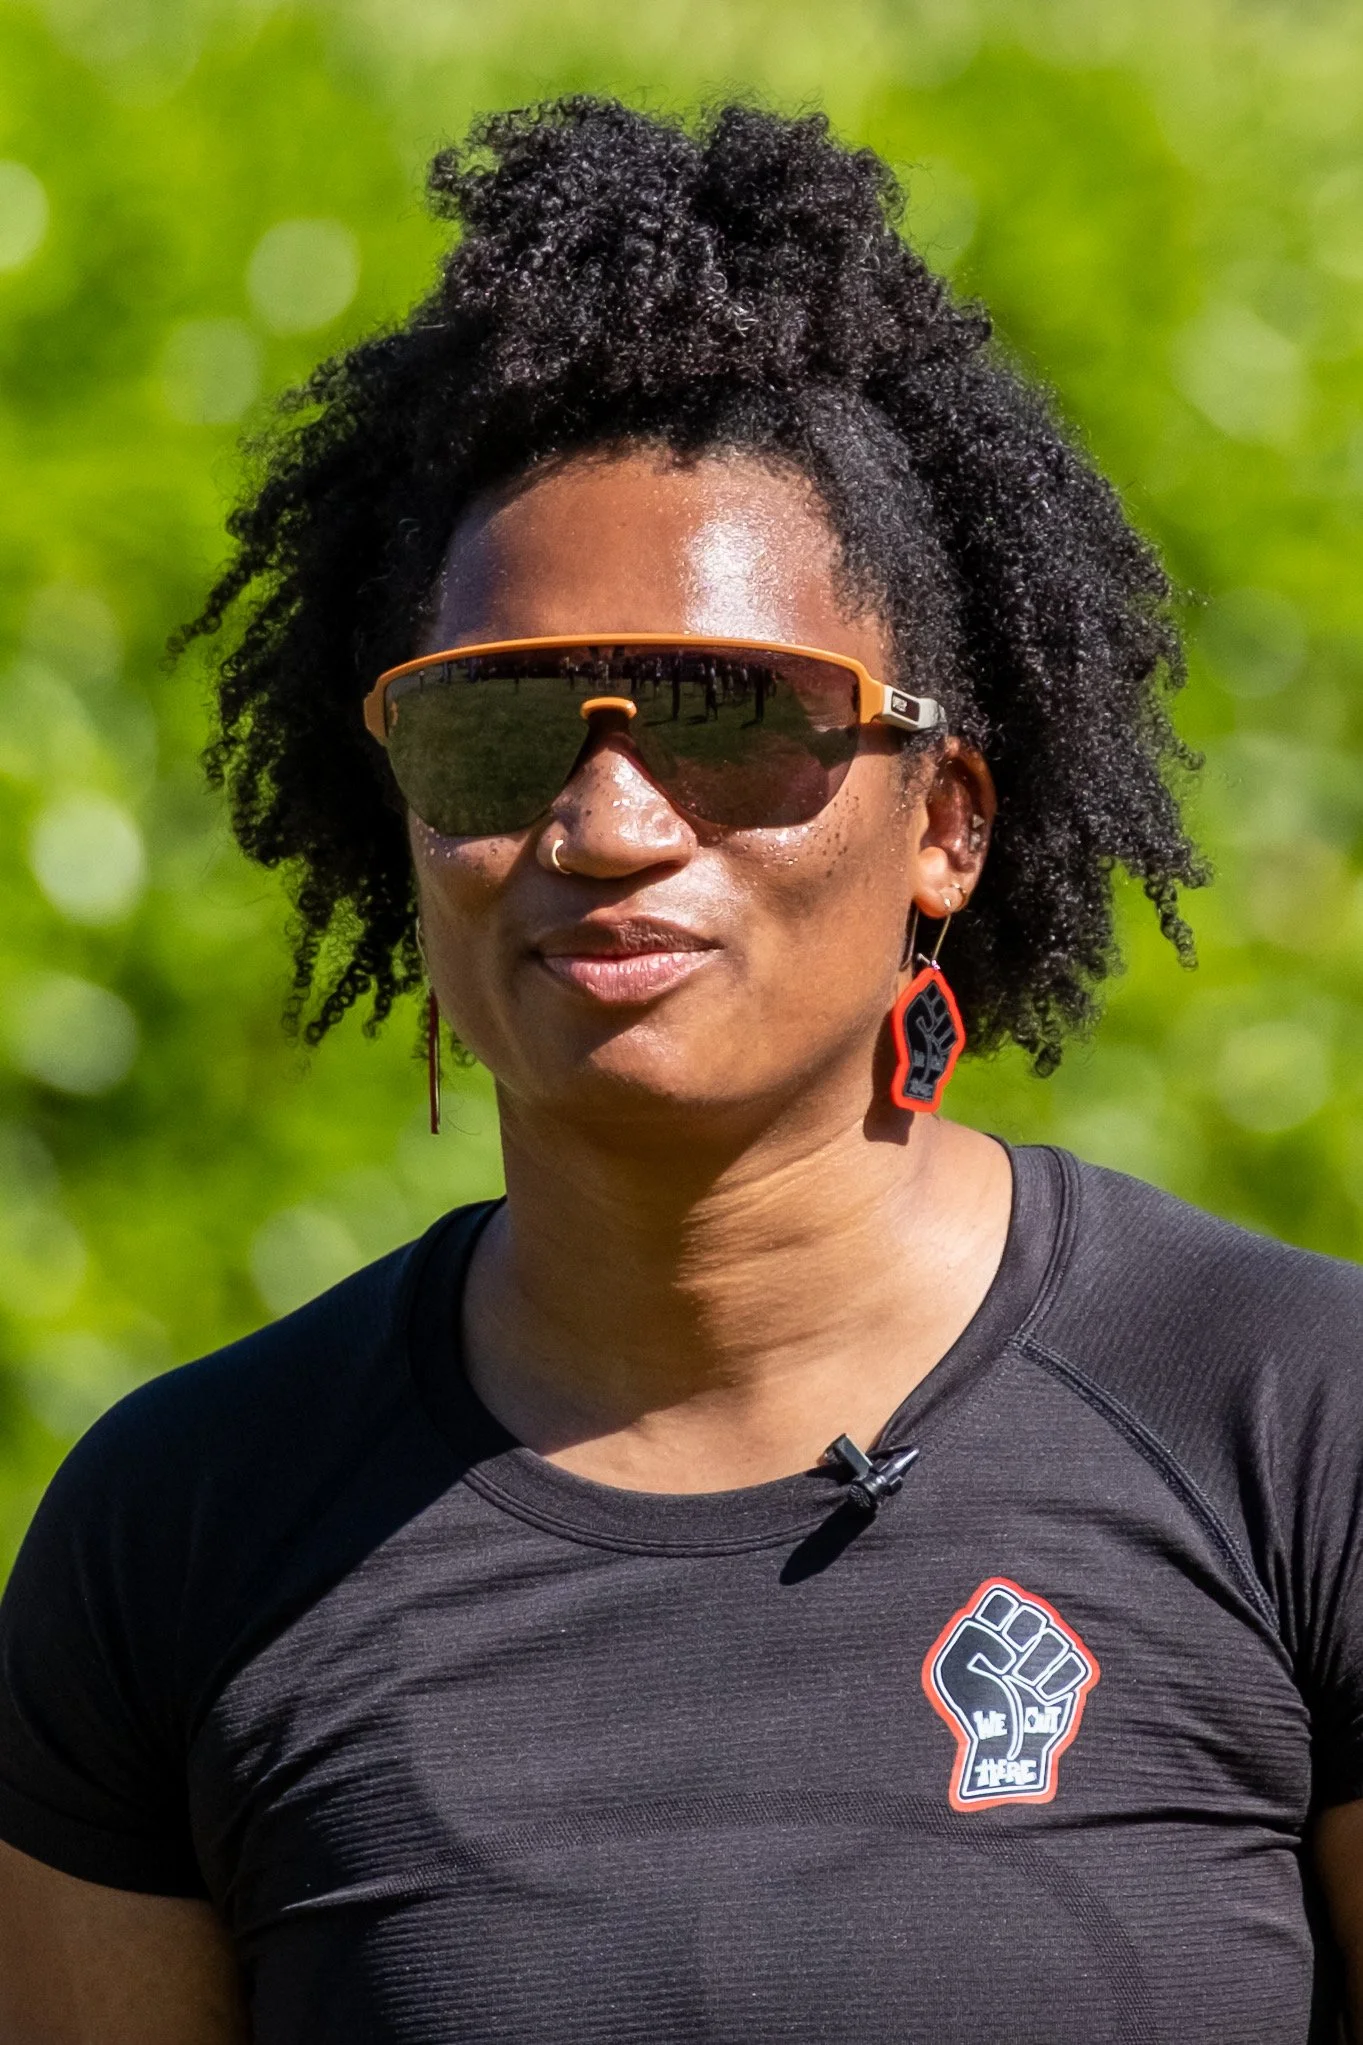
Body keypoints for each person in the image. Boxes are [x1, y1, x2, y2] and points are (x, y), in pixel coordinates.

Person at [0, 97, 1360, 2045]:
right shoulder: (184, 1533)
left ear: (948, 817)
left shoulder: (1297, 1431)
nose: (611, 820)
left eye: (733, 716)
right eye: (498, 729)